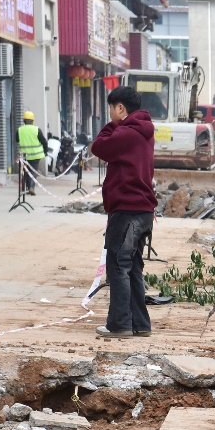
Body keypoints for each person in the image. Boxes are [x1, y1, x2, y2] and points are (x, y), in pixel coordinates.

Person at [91, 86, 158, 339]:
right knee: (133, 268)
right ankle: (140, 324)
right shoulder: (145, 132)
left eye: (111, 108)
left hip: (127, 210)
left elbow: (99, 147)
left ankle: (119, 325)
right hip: (143, 211)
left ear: (120, 108)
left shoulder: (127, 132)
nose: (109, 115)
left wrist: (113, 126)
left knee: (118, 266)